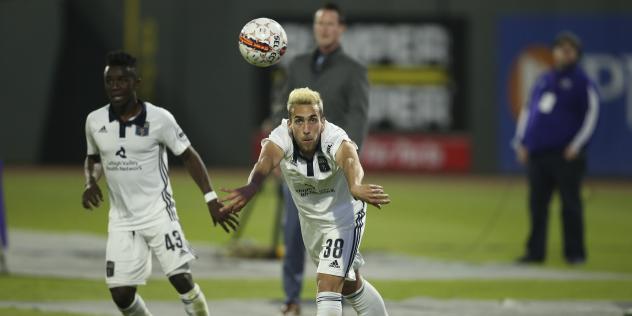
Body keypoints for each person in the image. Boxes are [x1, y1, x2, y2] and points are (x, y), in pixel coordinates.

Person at [82, 51, 238, 316]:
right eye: (110, 81)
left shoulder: (159, 119)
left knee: (181, 279)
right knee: (121, 294)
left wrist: (210, 198)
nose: (115, 86)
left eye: (122, 80)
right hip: (121, 219)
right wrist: (90, 182)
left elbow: (189, 156)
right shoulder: (95, 121)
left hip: (158, 214)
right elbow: (94, 158)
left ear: (137, 82)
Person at [221, 87, 389, 316]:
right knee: (350, 284)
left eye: (313, 120)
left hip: (344, 218)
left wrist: (355, 186)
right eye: (299, 121)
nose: (307, 129)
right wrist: (252, 185)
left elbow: (350, 160)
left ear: (323, 121)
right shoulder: (281, 137)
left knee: (327, 283)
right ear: (290, 123)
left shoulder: (334, 137)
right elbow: (265, 161)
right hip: (311, 223)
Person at [266, 3, 370, 314]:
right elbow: (280, 110)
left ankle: (333, 288)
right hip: (297, 166)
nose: (324, 29)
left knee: (335, 244)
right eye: (320, 23)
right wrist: (277, 151)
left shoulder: (354, 70)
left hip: (333, 171)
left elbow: (358, 118)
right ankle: (292, 298)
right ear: (315, 28)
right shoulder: (297, 64)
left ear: (341, 29)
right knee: (293, 231)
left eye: (330, 24)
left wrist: (347, 163)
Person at [513, 32, 599, 265]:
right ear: (554, 52)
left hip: (565, 154)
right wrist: (521, 142)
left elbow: (591, 115)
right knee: (536, 205)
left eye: (569, 50)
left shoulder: (583, 82)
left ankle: (575, 253)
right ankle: (535, 252)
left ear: (577, 54)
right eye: (560, 49)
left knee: (570, 205)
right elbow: (528, 111)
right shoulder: (544, 79)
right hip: (538, 153)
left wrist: (577, 145)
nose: (564, 53)